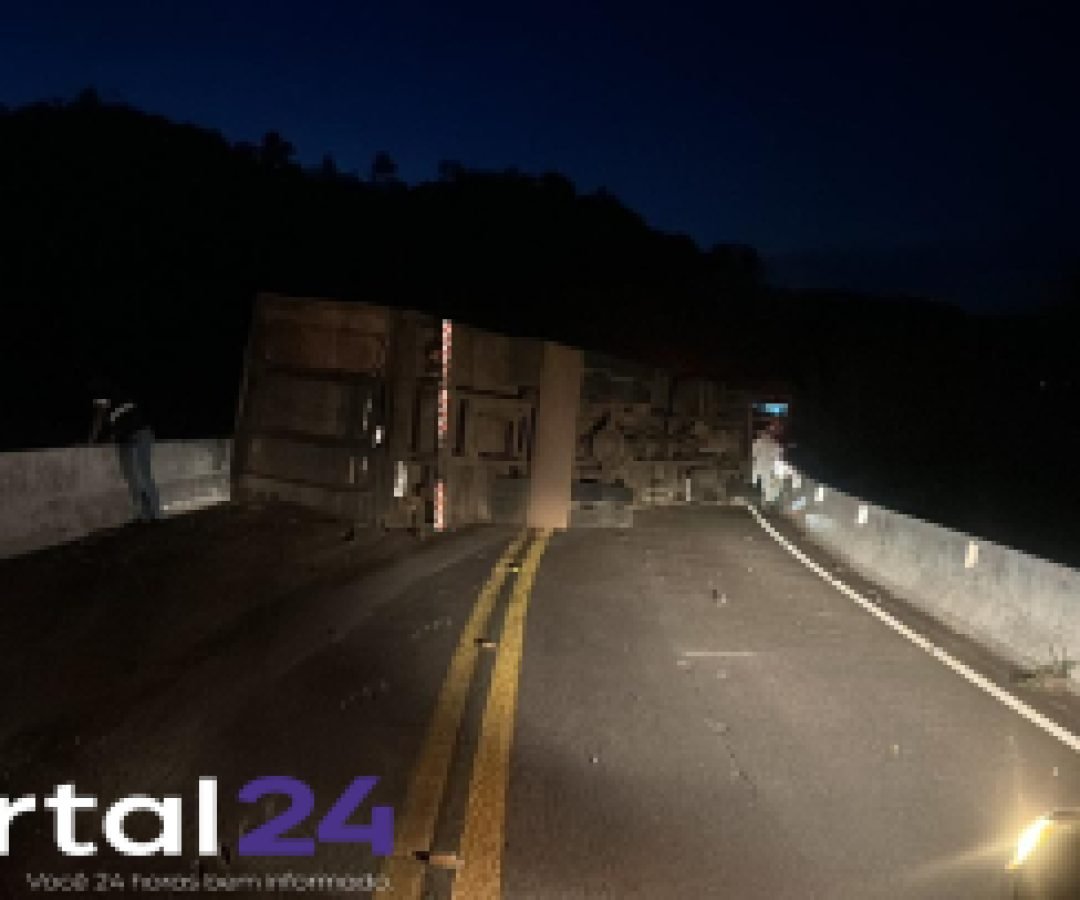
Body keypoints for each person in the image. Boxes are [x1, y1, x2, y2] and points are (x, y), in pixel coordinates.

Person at [88, 379, 161, 522]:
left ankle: (157, 514)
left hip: (139, 434)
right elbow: (116, 424)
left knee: (143, 474)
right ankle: (143, 515)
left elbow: (99, 418)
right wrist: (111, 436)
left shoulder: (106, 394)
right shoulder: (114, 402)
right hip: (125, 439)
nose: (96, 404)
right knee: (132, 477)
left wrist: (91, 439)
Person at [750, 419, 783, 507]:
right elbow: (754, 453)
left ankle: (766, 502)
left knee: (769, 485)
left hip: (768, 468)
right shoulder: (762, 442)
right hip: (763, 467)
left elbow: (778, 457)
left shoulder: (775, 445)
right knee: (766, 484)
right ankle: (764, 502)